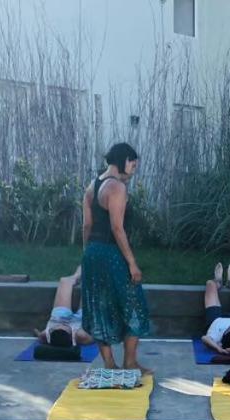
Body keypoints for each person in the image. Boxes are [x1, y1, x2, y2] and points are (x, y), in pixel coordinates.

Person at [81, 142, 149, 374]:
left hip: (92, 252)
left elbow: (87, 226)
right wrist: (132, 263)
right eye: (133, 165)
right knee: (134, 303)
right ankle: (129, 362)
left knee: (100, 306)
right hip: (111, 252)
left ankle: (109, 364)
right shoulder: (117, 188)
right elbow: (117, 228)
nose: (133, 170)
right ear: (125, 160)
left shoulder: (92, 186)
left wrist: (87, 254)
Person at [34, 266, 94, 348]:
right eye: (63, 327)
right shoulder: (82, 337)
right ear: (71, 335)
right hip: (82, 322)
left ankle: (78, 273)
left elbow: (39, 335)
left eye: (56, 328)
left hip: (58, 319)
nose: (63, 324)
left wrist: (37, 333)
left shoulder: (46, 335)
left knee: (65, 281)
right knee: (91, 282)